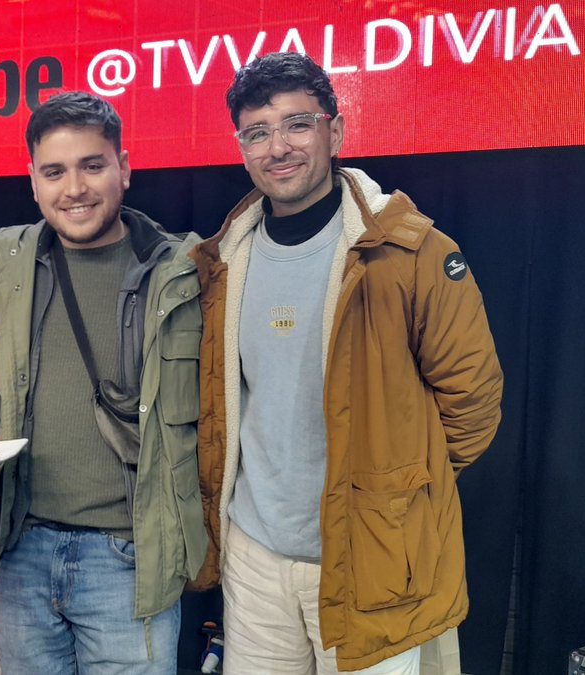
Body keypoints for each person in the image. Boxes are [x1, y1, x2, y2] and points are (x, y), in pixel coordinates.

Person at [190, 52, 504, 673]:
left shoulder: (411, 253)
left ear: (334, 131)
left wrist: (397, 495)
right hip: (253, 557)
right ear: (242, 148)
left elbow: (473, 404)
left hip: (372, 557)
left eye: (297, 124)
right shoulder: (220, 262)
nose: (278, 147)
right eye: (257, 132)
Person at [0, 91, 207, 674]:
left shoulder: (185, 270)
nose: (74, 188)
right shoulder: (0, 265)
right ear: (33, 181)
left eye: (92, 165)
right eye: (54, 172)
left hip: (130, 558)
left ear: (124, 167)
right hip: (21, 554)